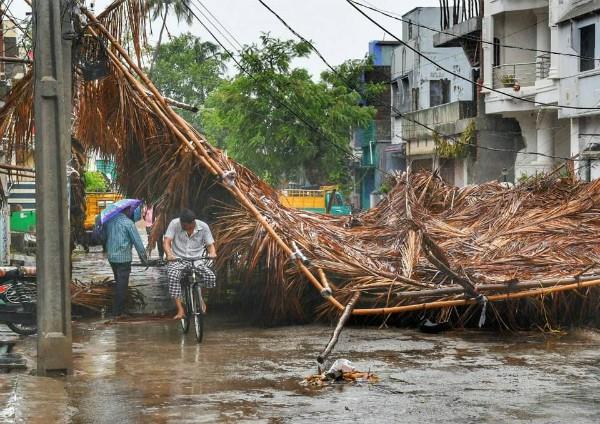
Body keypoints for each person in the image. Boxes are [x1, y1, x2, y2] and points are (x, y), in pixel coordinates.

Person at [163, 208, 216, 320]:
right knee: (173, 276)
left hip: (197, 260)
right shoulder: (174, 223)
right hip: (178, 259)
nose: (182, 226)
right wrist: (169, 254)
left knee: (210, 276)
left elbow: (210, 245)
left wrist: (212, 253)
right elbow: (167, 242)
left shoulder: (203, 227)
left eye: (185, 225)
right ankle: (180, 309)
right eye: (181, 224)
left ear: (193, 222)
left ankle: (200, 298)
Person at [104, 206, 148, 318]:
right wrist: (144, 259)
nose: (131, 212)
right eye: (130, 210)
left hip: (111, 257)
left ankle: (118, 309)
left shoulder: (109, 221)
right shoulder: (128, 223)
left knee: (118, 282)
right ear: (126, 210)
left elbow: (104, 237)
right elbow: (137, 242)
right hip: (123, 259)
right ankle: (117, 311)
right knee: (122, 286)